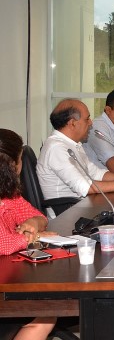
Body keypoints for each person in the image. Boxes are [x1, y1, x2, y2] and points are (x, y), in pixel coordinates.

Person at [37, 99, 114, 209]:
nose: (90, 123)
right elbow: (85, 187)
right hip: (68, 214)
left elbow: (97, 174)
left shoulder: (73, 144)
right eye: (87, 119)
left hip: (85, 206)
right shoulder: (56, 148)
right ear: (72, 123)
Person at [0, 129, 57, 340]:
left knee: (47, 310)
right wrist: (31, 238)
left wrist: (33, 223)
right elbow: (4, 244)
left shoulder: (9, 194)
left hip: (7, 276)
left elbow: (38, 216)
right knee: (46, 313)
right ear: (14, 165)